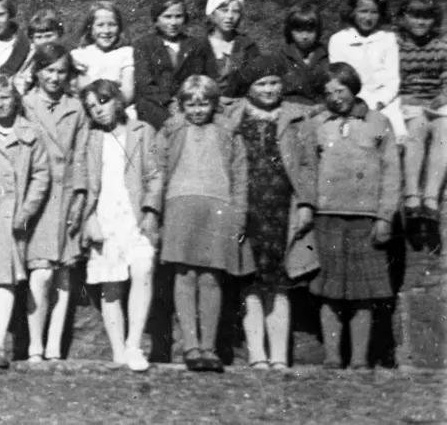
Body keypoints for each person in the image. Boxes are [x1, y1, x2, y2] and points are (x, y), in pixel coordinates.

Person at [225, 55, 319, 371]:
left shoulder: (297, 118)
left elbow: (307, 165)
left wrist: (306, 202)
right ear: (249, 87)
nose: (269, 90)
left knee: (279, 282)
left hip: (282, 208)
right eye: (261, 84)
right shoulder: (232, 115)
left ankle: (279, 355)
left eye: (274, 83)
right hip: (247, 206)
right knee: (249, 281)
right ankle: (257, 354)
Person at [308, 62, 400, 370]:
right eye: (328, 92)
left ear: (354, 88)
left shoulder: (378, 122)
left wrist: (385, 216)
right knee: (329, 291)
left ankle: (360, 359)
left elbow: (391, 173)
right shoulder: (318, 123)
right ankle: (333, 356)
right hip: (327, 215)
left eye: (341, 90)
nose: (336, 97)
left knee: (363, 293)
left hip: (366, 216)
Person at [157, 75, 250, 372]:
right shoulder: (171, 129)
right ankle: (190, 345)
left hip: (217, 207)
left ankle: (209, 347)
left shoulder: (228, 132)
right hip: (180, 204)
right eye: (191, 104)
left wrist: (239, 214)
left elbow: (240, 177)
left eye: (204, 103)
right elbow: (157, 168)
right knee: (184, 275)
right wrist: (154, 211)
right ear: (182, 105)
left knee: (211, 277)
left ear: (214, 103)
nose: (198, 110)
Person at [74, 79, 161, 373]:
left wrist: (150, 211)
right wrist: (88, 218)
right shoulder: (90, 138)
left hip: (135, 215)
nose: (98, 111)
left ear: (117, 100)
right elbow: (83, 181)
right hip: (104, 215)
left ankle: (134, 344)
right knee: (110, 284)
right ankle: (118, 351)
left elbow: (155, 176)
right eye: (91, 108)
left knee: (143, 269)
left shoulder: (142, 131)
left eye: (103, 102)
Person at [0, 74, 51, 370]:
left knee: (5, 277)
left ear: (15, 98)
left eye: (5, 97)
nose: (0, 103)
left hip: (14, 216)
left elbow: (41, 175)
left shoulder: (30, 134)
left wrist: (27, 209)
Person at [21, 43, 86, 363]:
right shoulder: (25, 104)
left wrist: (81, 197)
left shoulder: (77, 107)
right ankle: (34, 342)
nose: (55, 77)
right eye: (49, 70)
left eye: (61, 71)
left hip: (67, 195)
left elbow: (83, 155)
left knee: (63, 275)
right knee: (42, 272)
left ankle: (54, 345)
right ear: (37, 72)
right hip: (38, 197)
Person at [393, 0, 447, 244]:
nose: (420, 22)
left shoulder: (441, 46)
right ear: (403, 17)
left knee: (444, 132)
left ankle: (431, 200)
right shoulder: (397, 45)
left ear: (434, 19)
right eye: (414, 15)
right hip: (408, 103)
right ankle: (412, 196)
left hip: (435, 103)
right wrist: (404, 98)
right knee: (416, 129)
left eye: (426, 16)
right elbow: (392, 79)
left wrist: (443, 96)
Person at [327, 0, 403, 138]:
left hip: (386, 102)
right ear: (353, 12)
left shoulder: (388, 39)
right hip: (353, 102)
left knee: (395, 137)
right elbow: (341, 81)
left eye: (373, 12)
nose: (368, 18)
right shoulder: (339, 40)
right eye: (363, 11)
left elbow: (393, 80)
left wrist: (380, 102)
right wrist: (362, 104)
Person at [133, 0, 204, 131]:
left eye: (178, 16)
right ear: (156, 20)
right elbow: (144, 83)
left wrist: (182, 101)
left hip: (186, 102)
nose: (173, 23)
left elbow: (198, 78)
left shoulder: (194, 45)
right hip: (155, 103)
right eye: (167, 17)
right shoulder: (144, 45)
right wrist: (169, 101)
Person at [191, 0, 260, 97]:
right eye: (224, 10)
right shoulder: (199, 46)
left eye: (235, 11)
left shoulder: (247, 45)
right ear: (212, 13)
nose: (230, 16)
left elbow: (256, 80)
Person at [71, 1, 135, 106]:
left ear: (119, 28)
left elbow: (127, 94)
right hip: (87, 109)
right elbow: (78, 91)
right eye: (100, 25)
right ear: (90, 28)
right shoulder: (79, 55)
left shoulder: (126, 53)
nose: (106, 30)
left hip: (118, 109)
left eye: (112, 25)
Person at [279, 3, 329, 107]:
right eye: (299, 30)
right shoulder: (282, 56)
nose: (305, 36)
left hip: (321, 108)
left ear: (318, 30)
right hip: (291, 108)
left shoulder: (326, 55)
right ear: (290, 31)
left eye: (310, 30)